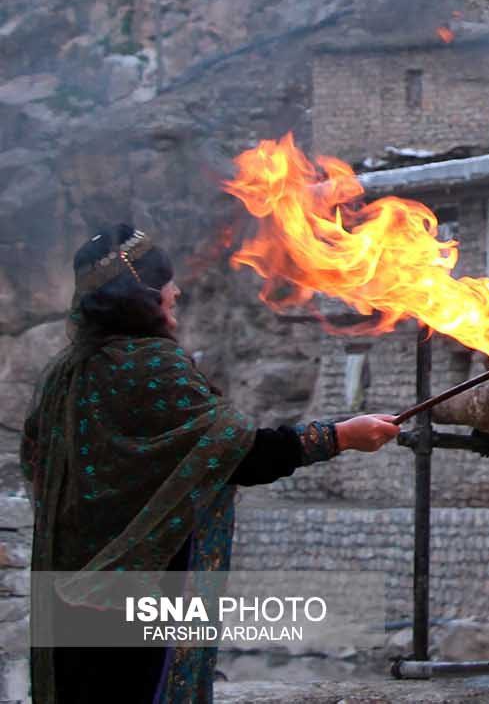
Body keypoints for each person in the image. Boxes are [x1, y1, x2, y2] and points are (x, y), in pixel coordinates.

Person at [23, 226, 403, 703]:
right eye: (166, 284)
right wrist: (341, 436)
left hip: (70, 594)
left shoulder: (64, 373)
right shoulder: (152, 366)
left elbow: (38, 463)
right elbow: (236, 453)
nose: (176, 292)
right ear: (141, 297)